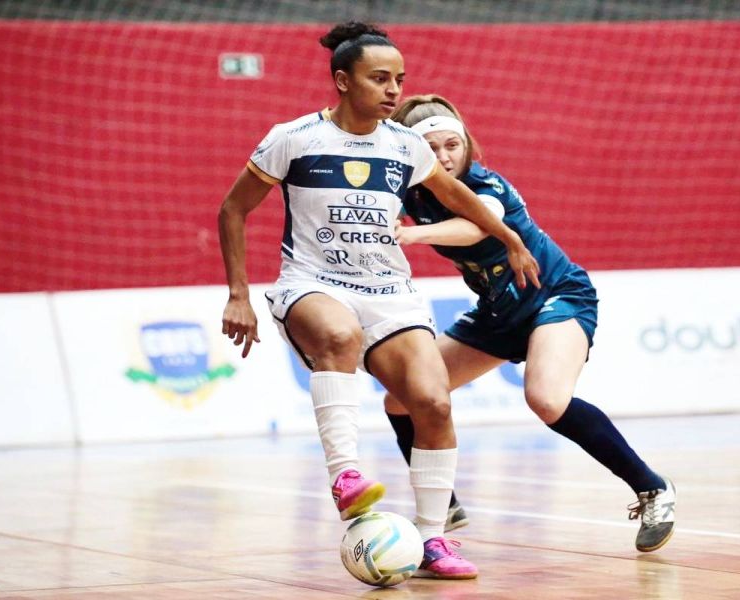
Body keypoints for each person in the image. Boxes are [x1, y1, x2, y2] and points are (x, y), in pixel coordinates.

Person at [218, 24, 540, 580]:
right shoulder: (293, 138)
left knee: (434, 404)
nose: (394, 90)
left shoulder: (405, 145)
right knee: (340, 337)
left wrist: (512, 240)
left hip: (391, 293)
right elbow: (233, 210)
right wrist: (239, 295)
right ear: (343, 81)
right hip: (313, 282)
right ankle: (346, 477)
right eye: (379, 78)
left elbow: (460, 197)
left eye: (399, 79)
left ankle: (434, 539)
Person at [383, 95, 676, 553]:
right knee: (402, 399)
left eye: (452, 145)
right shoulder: (415, 192)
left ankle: (652, 488)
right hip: (499, 312)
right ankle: (444, 504)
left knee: (545, 398)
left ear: (466, 145)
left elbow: (478, 227)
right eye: (432, 149)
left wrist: (413, 233)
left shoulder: (486, 185)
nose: (443, 157)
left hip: (554, 295)